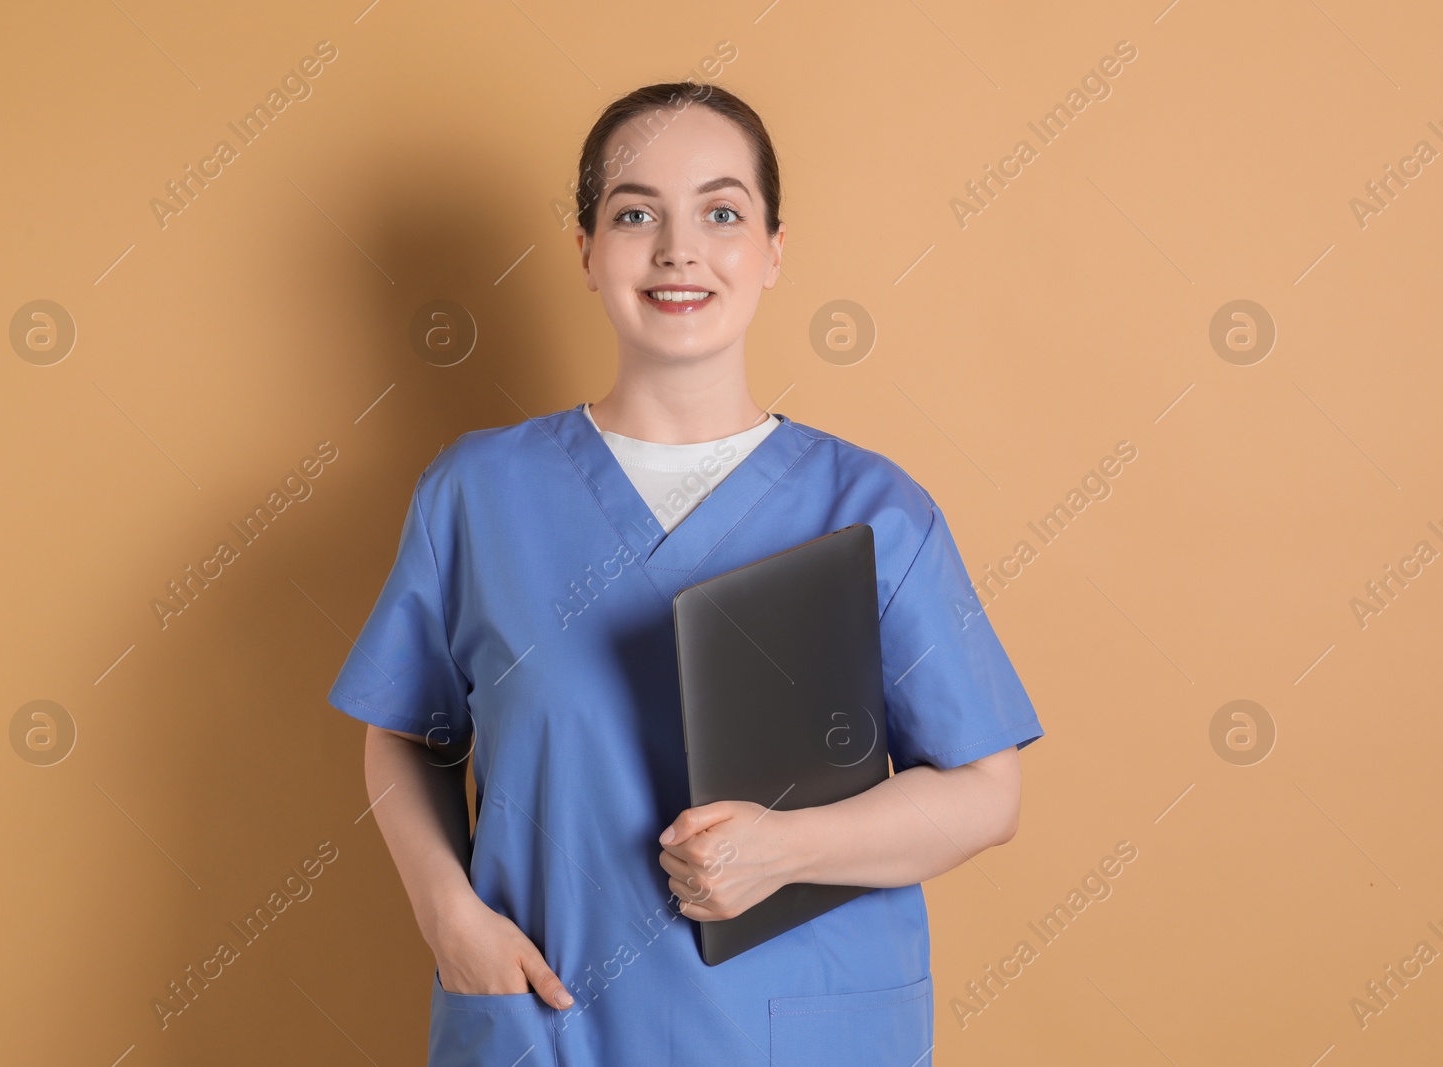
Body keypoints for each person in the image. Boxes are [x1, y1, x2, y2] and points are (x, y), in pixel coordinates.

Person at [327, 80, 1043, 1067]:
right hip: (548, 1021)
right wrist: (448, 915)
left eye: (720, 212)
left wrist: (787, 849)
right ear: (584, 250)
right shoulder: (477, 494)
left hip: (797, 1029)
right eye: (633, 213)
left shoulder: (873, 509)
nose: (679, 248)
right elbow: (407, 735)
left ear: (773, 251)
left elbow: (984, 791)